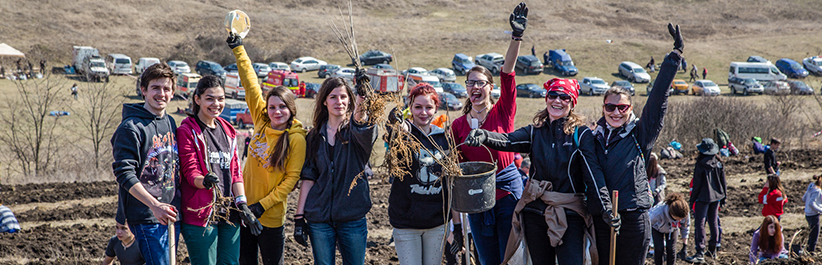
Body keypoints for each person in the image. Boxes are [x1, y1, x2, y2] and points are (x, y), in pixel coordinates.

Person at [465, 76, 616, 265]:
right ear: (546, 98)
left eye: (564, 97)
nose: (557, 101)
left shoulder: (581, 134)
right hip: (535, 211)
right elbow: (508, 140)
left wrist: (606, 207)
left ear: (572, 102)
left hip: (569, 212)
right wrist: (485, 135)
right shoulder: (535, 131)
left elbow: (593, 174)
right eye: (553, 95)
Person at [591, 23, 683, 265]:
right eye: (610, 107)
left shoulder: (640, 133)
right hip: (602, 217)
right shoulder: (594, 136)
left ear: (630, 108)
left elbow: (658, 98)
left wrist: (674, 56)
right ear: (603, 108)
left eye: (622, 107)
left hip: (633, 217)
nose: (616, 112)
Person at [450, 4, 528, 265]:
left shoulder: (503, 112)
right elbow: (455, 167)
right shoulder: (458, 125)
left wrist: (516, 38)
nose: (474, 87)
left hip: (507, 193)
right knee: (487, 260)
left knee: (510, 258)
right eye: (470, 82)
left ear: (490, 88)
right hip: (476, 200)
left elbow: (508, 72)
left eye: (480, 82)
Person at [228, 33, 308, 265]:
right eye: (272, 107)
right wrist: (239, 49)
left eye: (282, 106)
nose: (276, 111)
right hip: (243, 209)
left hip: (269, 217)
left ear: (291, 109)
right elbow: (251, 84)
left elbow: (290, 182)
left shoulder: (295, 138)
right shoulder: (261, 122)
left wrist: (260, 207)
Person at [177, 75, 263, 264]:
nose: (216, 103)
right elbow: (190, 171)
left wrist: (242, 205)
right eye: (210, 98)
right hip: (202, 214)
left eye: (221, 98)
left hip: (229, 213)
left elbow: (235, 172)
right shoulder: (187, 131)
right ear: (197, 99)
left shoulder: (228, 130)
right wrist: (204, 181)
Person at [295, 74, 377, 265]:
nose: (338, 101)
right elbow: (308, 178)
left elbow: (361, 124)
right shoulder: (314, 136)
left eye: (343, 97)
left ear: (349, 100)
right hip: (319, 218)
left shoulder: (357, 133)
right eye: (333, 97)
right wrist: (299, 218)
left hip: (352, 217)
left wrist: (362, 98)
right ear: (324, 101)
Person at [111, 63, 181, 265]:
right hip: (146, 215)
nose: (161, 93)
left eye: (166, 89)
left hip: (170, 213)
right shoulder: (131, 127)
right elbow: (124, 174)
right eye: (155, 88)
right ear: (144, 90)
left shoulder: (170, 122)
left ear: (173, 93)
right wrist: (154, 205)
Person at [386, 83, 460, 265]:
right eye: (418, 107)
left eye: (429, 107)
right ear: (410, 107)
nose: (423, 112)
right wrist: (395, 124)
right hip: (406, 222)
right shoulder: (405, 135)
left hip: (436, 223)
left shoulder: (445, 139)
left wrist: (456, 226)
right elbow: (398, 132)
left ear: (436, 108)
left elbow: (452, 184)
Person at [685, 138, 727, 263]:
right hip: (716, 197)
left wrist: (692, 200)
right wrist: (724, 197)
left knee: (700, 224)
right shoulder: (719, 163)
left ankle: (700, 252)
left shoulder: (700, 164)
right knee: (713, 222)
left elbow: (696, 184)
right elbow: (723, 182)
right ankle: (712, 250)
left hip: (703, 198)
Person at [648, 193, 690, 265]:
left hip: (673, 229)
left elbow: (685, 227)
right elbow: (648, 224)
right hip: (657, 228)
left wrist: (685, 245)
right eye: (678, 219)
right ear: (672, 213)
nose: (679, 221)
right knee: (659, 249)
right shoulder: (658, 212)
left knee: (671, 249)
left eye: (681, 219)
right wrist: (647, 243)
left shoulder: (684, 212)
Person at [804, 175, 822, 253]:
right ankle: (811, 252)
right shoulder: (817, 190)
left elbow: (804, 198)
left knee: (811, 235)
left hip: (808, 214)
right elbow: (812, 203)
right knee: (814, 236)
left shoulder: (811, 186)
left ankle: (808, 251)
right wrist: (820, 210)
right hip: (813, 215)